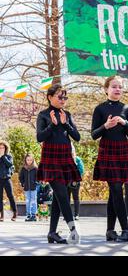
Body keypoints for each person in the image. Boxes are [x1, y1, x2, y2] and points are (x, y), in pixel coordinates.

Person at [92, 75, 128, 242]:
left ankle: (110, 230)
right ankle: (125, 230)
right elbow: (94, 134)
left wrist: (124, 123)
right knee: (117, 189)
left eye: (120, 86)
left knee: (114, 192)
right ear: (106, 89)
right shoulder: (100, 109)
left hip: (121, 151)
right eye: (114, 86)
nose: (118, 89)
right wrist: (106, 126)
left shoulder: (127, 108)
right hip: (107, 151)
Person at [36, 84, 81, 244]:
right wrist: (52, 125)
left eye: (65, 97)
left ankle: (52, 233)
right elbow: (39, 137)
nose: (63, 100)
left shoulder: (67, 114)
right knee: (62, 194)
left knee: (58, 197)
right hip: (50, 159)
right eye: (59, 97)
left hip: (65, 157)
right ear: (50, 97)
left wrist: (66, 124)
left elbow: (77, 137)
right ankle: (73, 230)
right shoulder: (43, 115)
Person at [0, 140, 17, 222]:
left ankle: (14, 213)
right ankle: (1, 215)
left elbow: (10, 164)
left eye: (3, 147)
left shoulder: (9, 156)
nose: (1, 149)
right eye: (0, 148)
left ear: (6, 148)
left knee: (10, 196)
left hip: (7, 178)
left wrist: (3, 156)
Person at [19, 153, 38, 222]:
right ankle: (28, 214)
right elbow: (21, 177)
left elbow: (38, 177)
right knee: (28, 201)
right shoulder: (24, 169)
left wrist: (36, 182)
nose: (29, 161)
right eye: (28, 160)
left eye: (30, 160)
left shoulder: (35, 168)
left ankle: (34, 214)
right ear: (25, 160)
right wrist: (22, 183)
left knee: (34, 200)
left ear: (33, 160)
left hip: (33, 187)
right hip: (26, 188)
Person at [68, 147, 84, 220]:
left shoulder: (77, 159)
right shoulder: (65, 159)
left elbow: (81, 170)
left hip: (75, 181)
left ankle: (76, 214)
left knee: (75, 197)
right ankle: (67, 215)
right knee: (67, 198)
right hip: (66, 181)